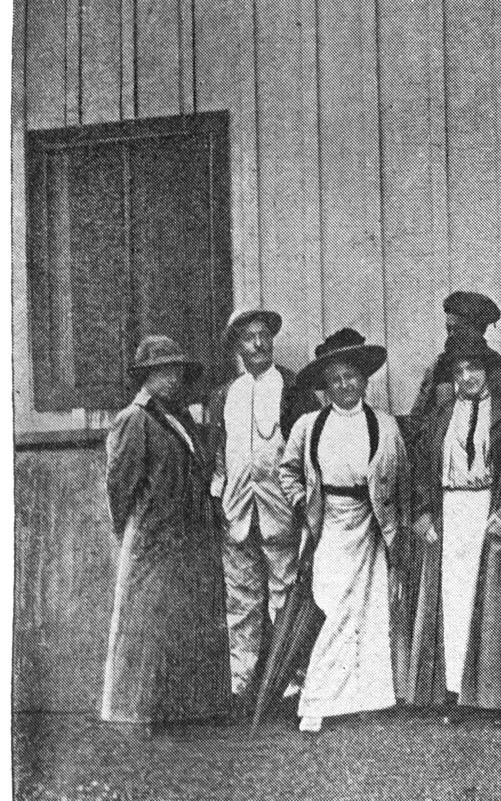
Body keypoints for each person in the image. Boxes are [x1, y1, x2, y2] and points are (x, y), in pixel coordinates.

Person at [279, 329, 409, 732]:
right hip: (331, 524)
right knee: (333, 606)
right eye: (335, 379)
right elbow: (287, 471)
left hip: (370, 525)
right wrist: (303, 501)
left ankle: (369, 697)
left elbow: (402, 476)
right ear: (326, 387)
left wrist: (399, 521)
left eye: (351, 376)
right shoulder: (308, 426)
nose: (344, 385)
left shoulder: (384, 426)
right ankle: (316, 699)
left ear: (365, 380)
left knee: (370, 613)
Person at [101, 336, 230, 736]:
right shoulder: (134, 420)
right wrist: (133, 534)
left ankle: (183, 711)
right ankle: (136, 713)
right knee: (147, 627)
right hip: (154, 539)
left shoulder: (179, 417)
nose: (172, 379)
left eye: (176, 371)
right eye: (162, 372)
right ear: (146, 377)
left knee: (183, 623)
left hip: (187, 535)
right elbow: (119, 489)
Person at [406, 329, 501, 714]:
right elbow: (422, 470)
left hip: (488, 508)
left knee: (492, 603)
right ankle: (452, 691)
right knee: (453, 599)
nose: (466, 377)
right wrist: (423, 515)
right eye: (460, 370)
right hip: (450, 512)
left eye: (474, 369)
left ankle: (492, 697)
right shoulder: (440, 417)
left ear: (487, 372)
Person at [206, 307, 319, 713]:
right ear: (236, 345)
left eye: (263, 336)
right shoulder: (224, 395)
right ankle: (243, 687)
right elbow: (217, 455)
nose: (257, 345)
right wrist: (219, 498)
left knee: (285, 595)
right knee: (240, 601)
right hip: (237, 513)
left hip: (281, 513)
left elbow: (307, 452)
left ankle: (293, 685)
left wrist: (305, 506)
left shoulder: (291, 389)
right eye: (248, 338)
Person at [407, 291, 501, 449]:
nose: (451, 336)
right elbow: (417, 421)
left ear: (478, 330)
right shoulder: (439, 368)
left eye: (458, 329)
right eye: (448, 330)